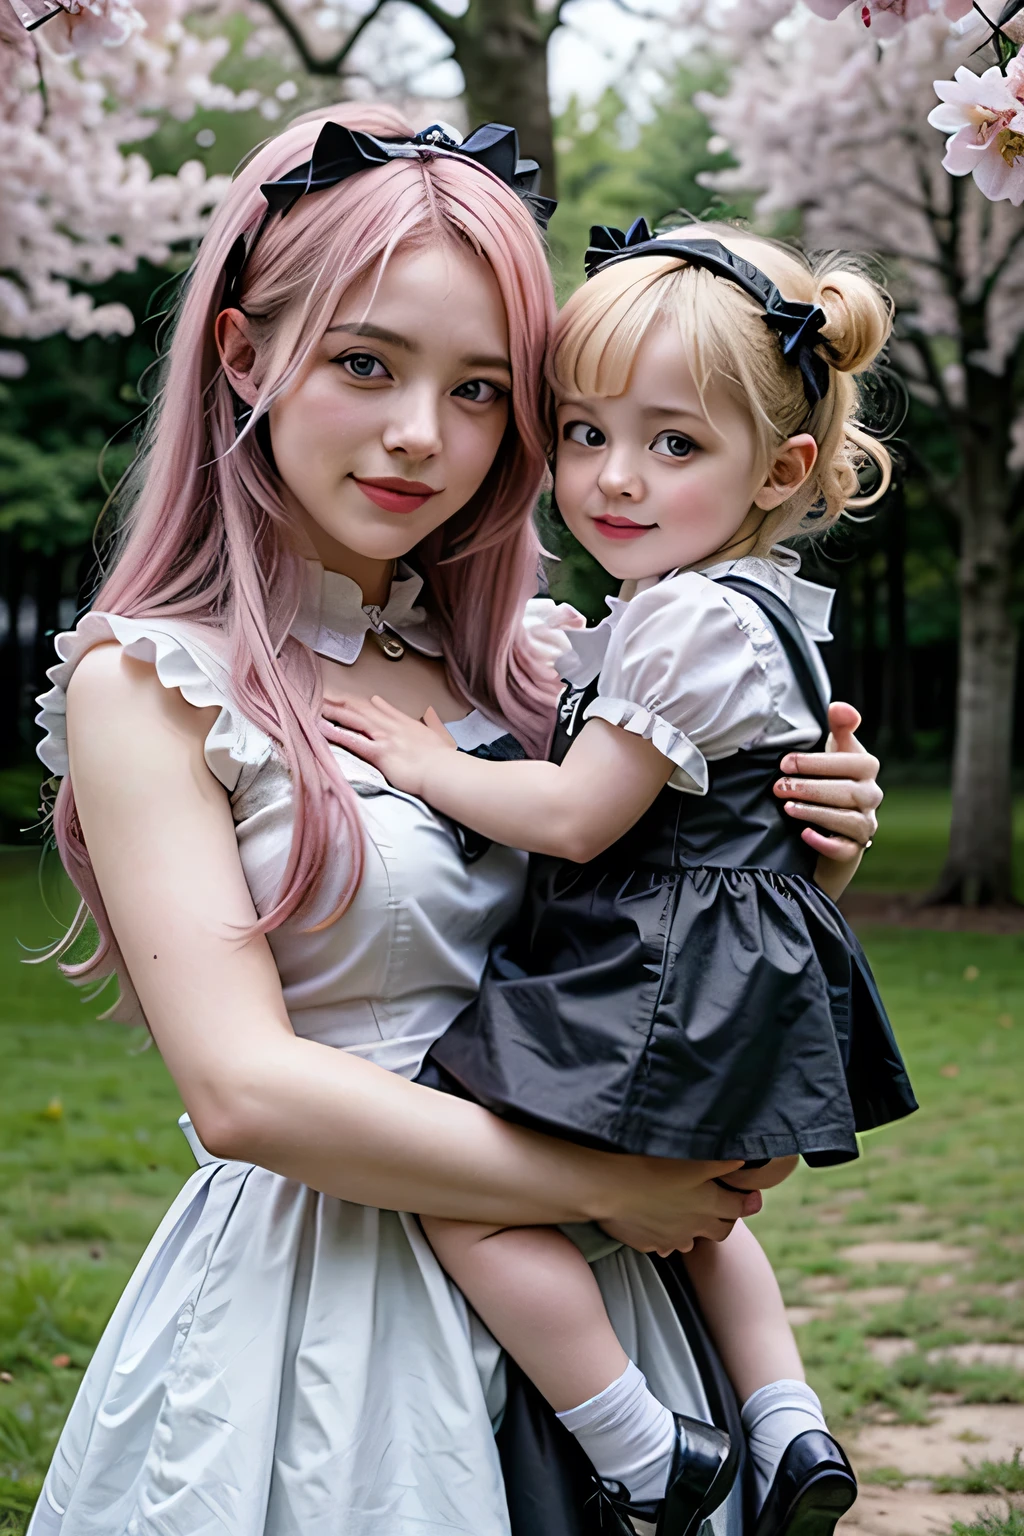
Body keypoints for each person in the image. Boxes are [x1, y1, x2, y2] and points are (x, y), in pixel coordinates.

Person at [28, 105, 883, 1536]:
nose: (424, 437)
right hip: (326, 1314)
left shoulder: (539, 660)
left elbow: (640, 930)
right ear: (243, 352)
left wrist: (801, 845)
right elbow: (245, 1094)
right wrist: (608, 1183)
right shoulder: (152, 683)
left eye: (485, 391)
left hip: (611, 1290)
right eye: (366, 363)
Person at [321, 222, 916, 1536]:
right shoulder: (742, 606)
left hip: (652, 979)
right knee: (707, 1224)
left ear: (784, 470)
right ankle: (784, 1418)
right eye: (585, 434)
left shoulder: (684, 619)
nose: (615, 481)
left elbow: (580, 818)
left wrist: (427, 765)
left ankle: (640, 1446)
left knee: (466, 1197)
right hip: (742, 980)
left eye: (675, 444)